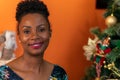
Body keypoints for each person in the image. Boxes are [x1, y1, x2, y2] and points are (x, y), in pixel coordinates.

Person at [0, 0, 68, 80]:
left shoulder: (59, 74)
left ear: (50, 33)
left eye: (41, 30)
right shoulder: (3, 75)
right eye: (27, 31)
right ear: (19, 37)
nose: (35, 36)